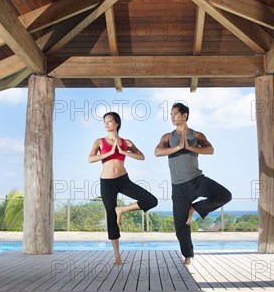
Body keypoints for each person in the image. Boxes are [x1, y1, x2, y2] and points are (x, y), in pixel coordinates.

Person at [155, 103, 232, 266]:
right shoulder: (167, 137)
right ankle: (188, 255)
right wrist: (178, 147)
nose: (173, 117)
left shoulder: (197, 135)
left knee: (225, 195)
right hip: (179, 187)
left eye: (176, 114)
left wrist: (190, 147)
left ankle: (195, 208)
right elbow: (158, 152)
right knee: (180, 225)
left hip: (197, 180)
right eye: (171, 114)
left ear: (185, 116)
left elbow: (210, 150)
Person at [89, 112, 158, 265]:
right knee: (111, 218)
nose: (106, 124)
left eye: (109, 121)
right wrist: (109, 153)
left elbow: (141, 156)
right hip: (106, 182)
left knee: (151, 200)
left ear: (117, 124)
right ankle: (117, 256)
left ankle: (122, 210)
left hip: (123, 180)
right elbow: (90, 158)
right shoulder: (99, 142)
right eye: (105, 122)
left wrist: (122, 151)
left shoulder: (126, 142)